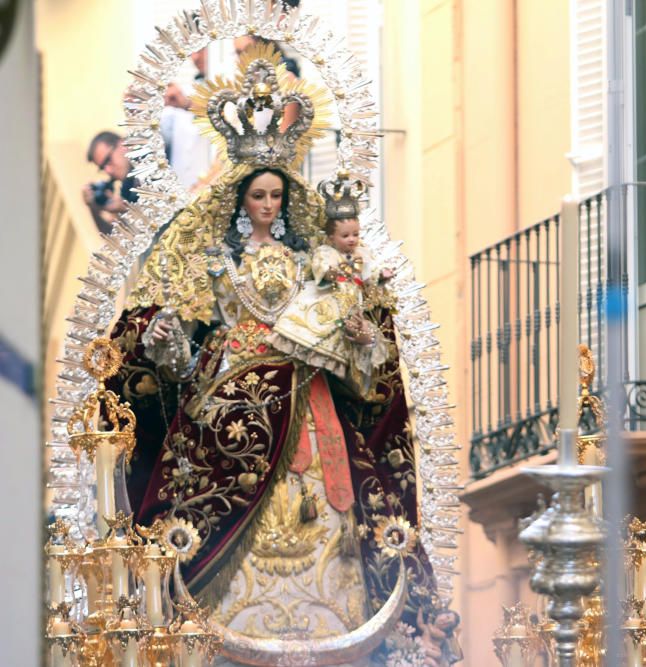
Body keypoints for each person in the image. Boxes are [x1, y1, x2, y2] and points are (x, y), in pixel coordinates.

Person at [104, 43, 445, 664]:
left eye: (276, 196)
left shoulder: (314, 266)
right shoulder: (214, 265)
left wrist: (364, 336)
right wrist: (169, 347)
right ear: (240, 201)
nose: (268, 205)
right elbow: (186, 369)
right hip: (227, 416)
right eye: (258, 195)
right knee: (204, 530)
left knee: (333, 522)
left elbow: (355, 359)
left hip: (310, 409)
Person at [268, 176, 393, 396]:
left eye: (356, 234)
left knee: (346, 327)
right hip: (329, 295)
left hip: (352, 299)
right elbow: (322, 266)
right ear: (331, 237)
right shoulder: (327, 252)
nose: (352, 240)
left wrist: (380, 276)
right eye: (346, 235)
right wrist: (333, 272)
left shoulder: (362, 254)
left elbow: (370, 274)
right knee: (317, 321)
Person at [161, 47, 214, 190]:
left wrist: (187, 104)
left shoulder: (231, 87)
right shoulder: (182, 91)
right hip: (182, 193)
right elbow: (163, 136)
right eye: (192, 52)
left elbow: (221, 115)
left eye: (202, 49)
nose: (196, 57)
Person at [82, 131, 138, 234]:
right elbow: (119, 240)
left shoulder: (149, 160)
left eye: (108, 160)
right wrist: (94, 208)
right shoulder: (127, 189)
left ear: (122, 144)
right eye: (103, 168)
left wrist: (127, 209)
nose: (108, 171)